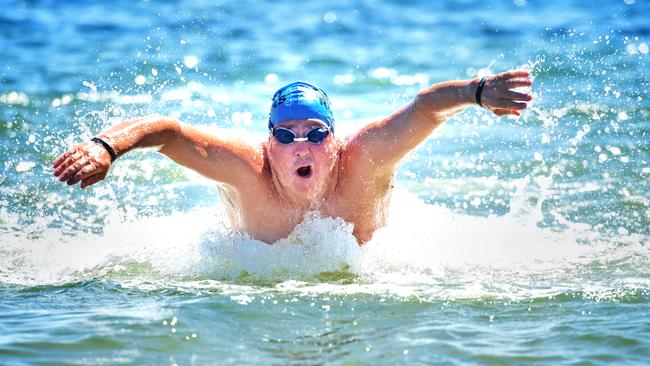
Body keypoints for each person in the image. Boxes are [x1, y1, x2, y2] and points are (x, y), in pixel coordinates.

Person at [53, 71, 533, 244]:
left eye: (314, 132)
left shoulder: (363, 158)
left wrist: (477, 91)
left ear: (334, 139)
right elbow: (169, 133)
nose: (300, 144)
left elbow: (425, 107)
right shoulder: (247, 168)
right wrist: (106, 146)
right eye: (285, 134)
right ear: (268, 145)